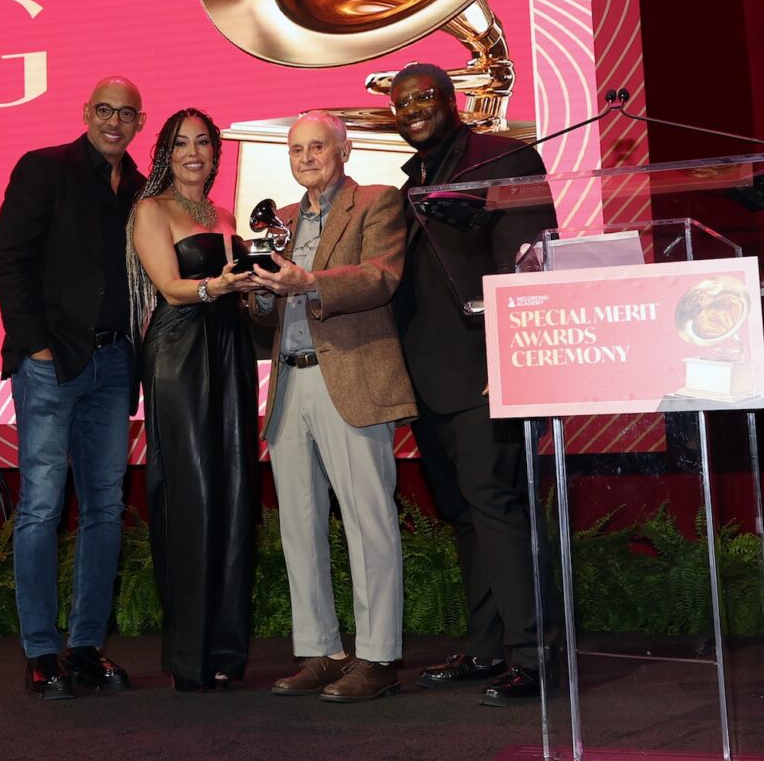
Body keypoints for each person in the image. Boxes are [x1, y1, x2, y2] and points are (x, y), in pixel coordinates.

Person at [390, 61, 551, 705]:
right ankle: (488, 649)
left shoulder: (502, 157)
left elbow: (527, 260)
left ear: (453, 100)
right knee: (464, 513)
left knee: (495, 505)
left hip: (484, 372)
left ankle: (534, 656)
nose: (413, 109)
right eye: (402, 103)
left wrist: (509, 355)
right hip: (430, 380)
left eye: (425, 97)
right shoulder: (412, 181)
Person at [248, 110, 417, 702]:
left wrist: (308, 282)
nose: (306, 158)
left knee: (369, 523)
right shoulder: (281, 219)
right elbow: (264, 315)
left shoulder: (376, 201)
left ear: (344, 151)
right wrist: (256, 290)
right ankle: (321, 650)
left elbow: (380, 276)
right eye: (296, 150)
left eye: (317, 146)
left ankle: (378, 657)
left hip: (352, 378)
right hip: (289, 383)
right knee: (298, 525)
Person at [0, 76, 146, 700]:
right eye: (104, 110)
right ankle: (39, 653)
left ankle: (84, 648)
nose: (114, 121)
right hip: (52, 365)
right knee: (41, 508)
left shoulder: (141, 190)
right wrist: (36, 346)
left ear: (139, 123)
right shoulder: (44, 168)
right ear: (86, 113)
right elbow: (8, 260)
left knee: (104, 508)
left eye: (126, 114)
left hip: (114, 365)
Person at [127, 107, 261, 692]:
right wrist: (218, 285)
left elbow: (239, 294)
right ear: (165, 152)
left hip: (230, 347)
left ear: (215, 152)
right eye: (181, 143)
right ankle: (188, 657)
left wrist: (256, 288)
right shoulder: (151, 210)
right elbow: (169, 287)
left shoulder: (226, 214)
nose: (193, 153)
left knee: (234, 490)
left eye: (203, 142)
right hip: (179, 352)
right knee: (193, 492)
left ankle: (226, 650)